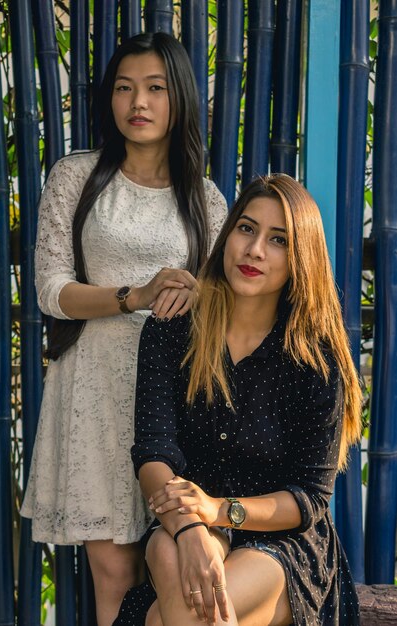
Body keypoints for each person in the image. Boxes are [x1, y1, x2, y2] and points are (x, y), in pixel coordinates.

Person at [20, 32, 227, 626]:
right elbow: (50, 290)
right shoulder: (76, 177)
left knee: (172, 562)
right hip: (93, 389)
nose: (138, 102)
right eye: (124, 88)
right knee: (114, 572)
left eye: (156, 89)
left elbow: (230, 303)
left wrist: (198, 293)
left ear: (179, 98)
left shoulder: (206, 200)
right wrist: (132, 296)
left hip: (177, 399)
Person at [119, 174, 362, 626]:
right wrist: (193, 526)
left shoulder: (316, 361)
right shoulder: (172, 331)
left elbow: (308, 499)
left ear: (300, 260)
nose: (254, 250)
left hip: (281, 544)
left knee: (170, 619)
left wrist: (219, 510)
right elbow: (153, 452)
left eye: (278, 240)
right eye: (246, 229)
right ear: (228, 234)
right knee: (172, 562)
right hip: (181, 518)